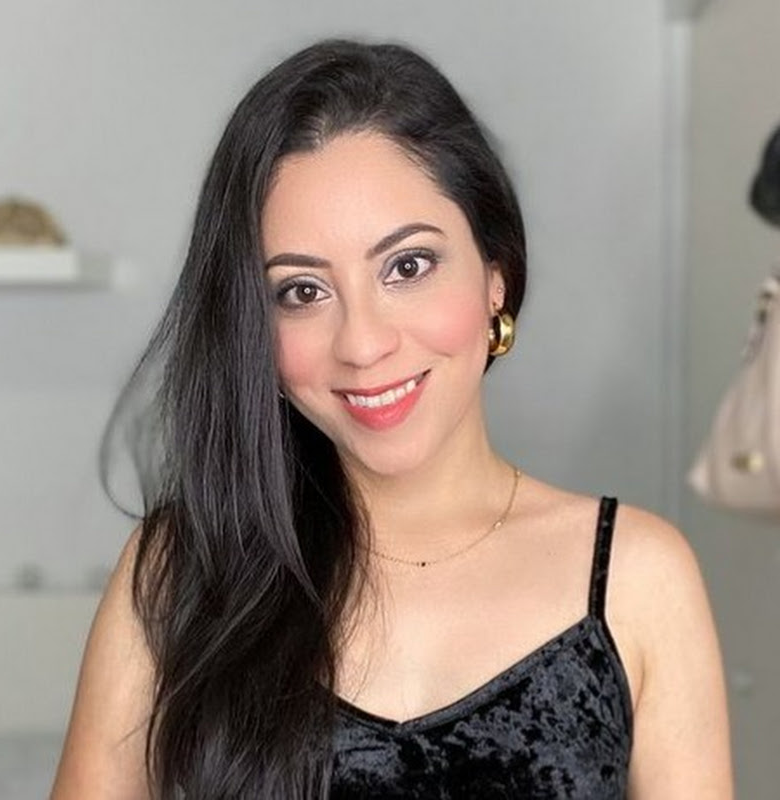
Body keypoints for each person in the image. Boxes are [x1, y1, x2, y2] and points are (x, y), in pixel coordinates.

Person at [51, 39, 732, 799]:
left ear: (496, 275)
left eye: (407, 266)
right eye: (302, 292)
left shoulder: (638, 579)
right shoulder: (180, 573)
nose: (364, 343)